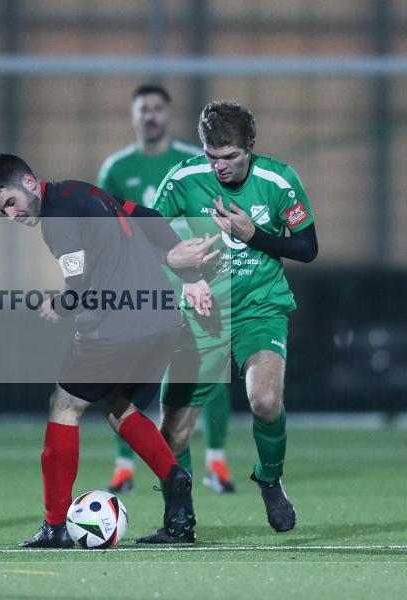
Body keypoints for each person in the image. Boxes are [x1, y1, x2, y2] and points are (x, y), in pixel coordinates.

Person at [0, 153, 219, 547]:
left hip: (115, 326)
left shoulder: (56, 220)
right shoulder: (82, 190)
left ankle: (55, 525)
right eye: (0, 212)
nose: (10, 215)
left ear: (27, 181)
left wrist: (57, 306)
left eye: (9, 202)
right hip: (162, 320)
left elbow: (78, 285)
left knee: (65, 405)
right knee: (119, 406)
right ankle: (176, 486)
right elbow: (147, 216)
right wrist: (187, 274)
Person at [139, 100, 318, 542]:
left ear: (250, 148)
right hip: (200, 317)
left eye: (230, 157)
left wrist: (254, 235)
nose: (219, 166)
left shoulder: (279, 180)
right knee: (172, 432)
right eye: (211, 156)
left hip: (261, 308)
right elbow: (145, 234)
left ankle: (269, 479)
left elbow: (308, 247)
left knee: (265, 401)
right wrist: (183, 273)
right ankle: (179, 524)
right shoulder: (183, 179)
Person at [97, 83, 236, 496]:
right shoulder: (116, 168)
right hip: (142, 284)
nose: (150, 116)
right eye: (143, 109)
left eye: (157, 108)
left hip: (193, 281)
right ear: (134, 115)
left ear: (168, 114)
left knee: (212, 368)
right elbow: (108, 227)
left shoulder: (191, 163)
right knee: (130, 374)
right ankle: (125, 464)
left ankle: (217, 461)